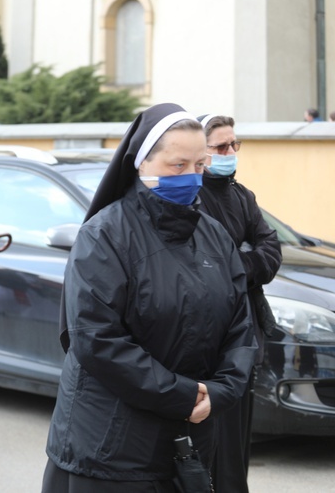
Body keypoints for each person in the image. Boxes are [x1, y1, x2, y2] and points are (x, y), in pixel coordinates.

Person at [42, 103, 257, 492]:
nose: (191, 177)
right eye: (178, 166)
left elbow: (240, 327)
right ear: (142, 164)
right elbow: (97, 340)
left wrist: (222, 390)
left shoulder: (213, 235)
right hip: (111, 451)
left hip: (190, 442)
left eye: (199, 165)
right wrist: (185, 394)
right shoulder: (104, 236)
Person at [197, 114, 282, 493]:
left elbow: (271, 250)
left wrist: (239, 263)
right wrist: (242, 260)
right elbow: (202, 262)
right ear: (202, 151)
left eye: (234, 145)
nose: (230, 152)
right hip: (206, 340)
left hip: (244, 336)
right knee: (210, 446)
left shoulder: (241, 195)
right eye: (220, 147)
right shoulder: (191, 195)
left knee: (236, 452)